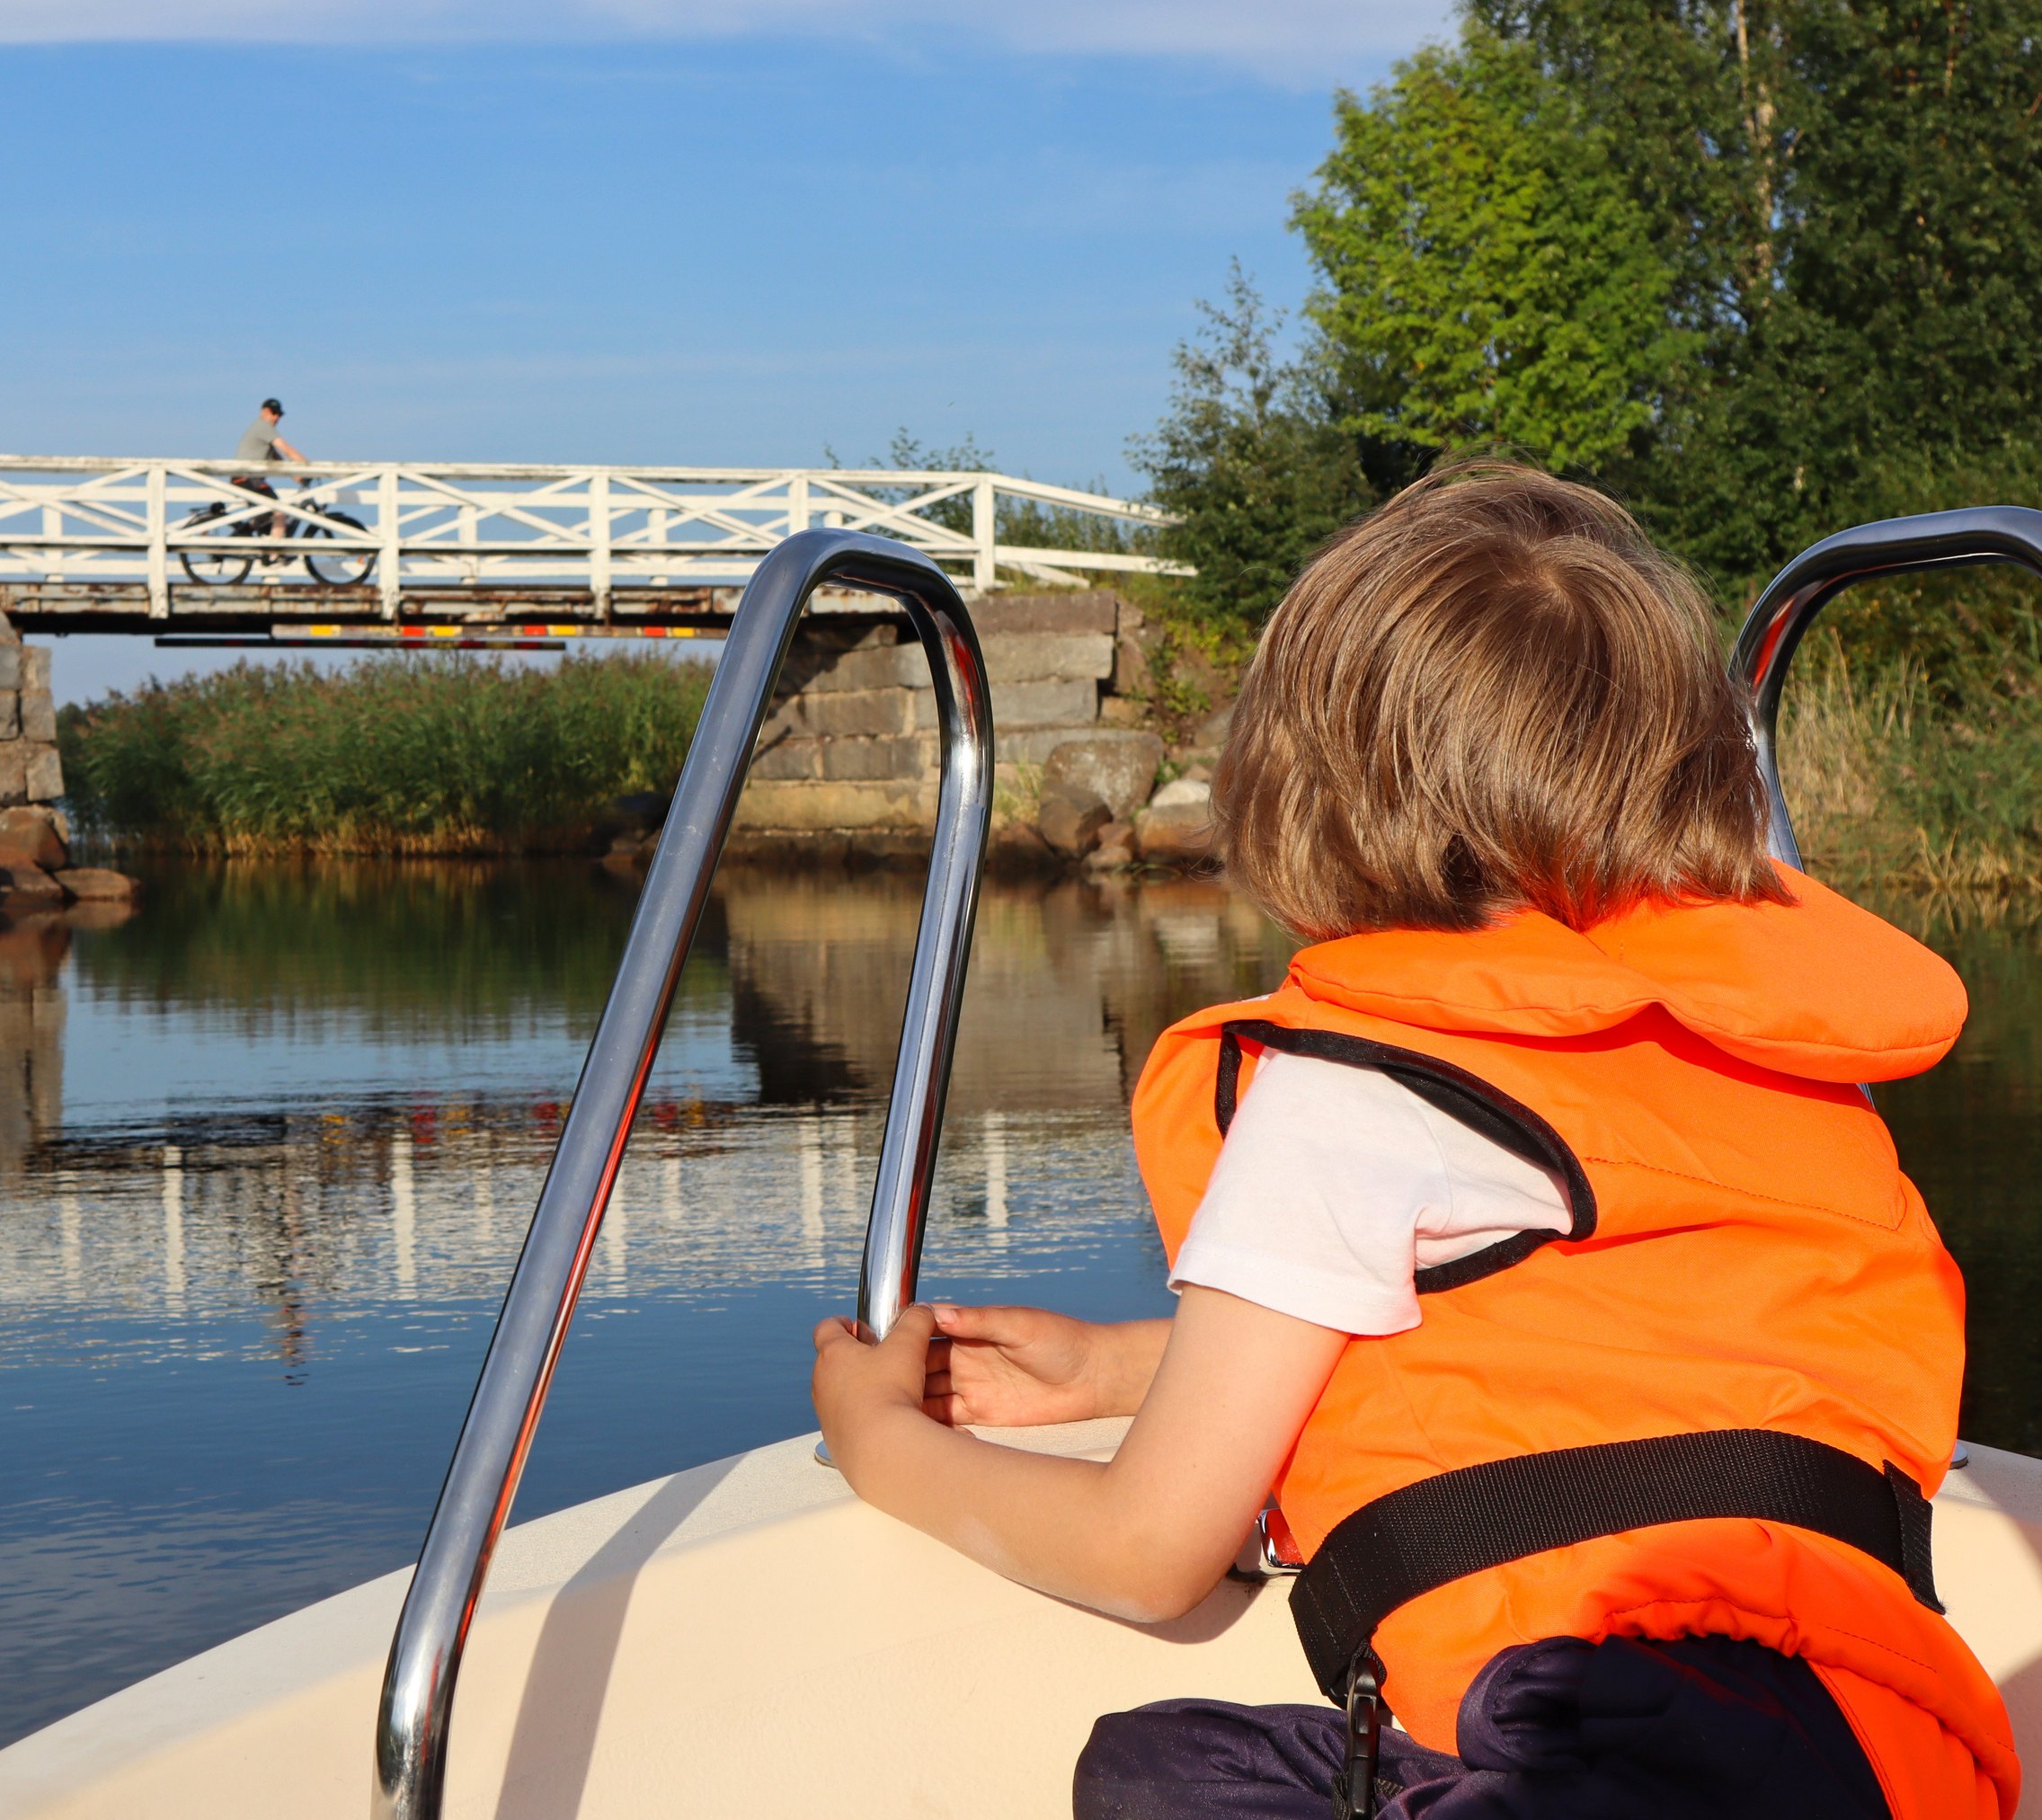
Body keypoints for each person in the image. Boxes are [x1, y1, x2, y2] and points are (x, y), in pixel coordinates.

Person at [809, 464, 2017, 1819]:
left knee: (1154, 1780)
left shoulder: (1354, 1091)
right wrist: (1111, 1369)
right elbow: (1599, 1373)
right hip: (1881, 1748)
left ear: (1304, 786)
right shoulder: (1756, 1051)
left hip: (1598, 1745)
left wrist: (880, 1446)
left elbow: (1144, 1549)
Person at [228, 397, 309, 530]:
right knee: (280, 512)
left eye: (279, 414)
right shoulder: (263, 426)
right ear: (264, 412)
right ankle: (274, 550)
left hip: (245, 480)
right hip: (248, 479)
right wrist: (308, 466)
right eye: (274, 413)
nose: (277, 417)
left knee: (263, 519)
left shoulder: (262, 431)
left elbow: (278, 459)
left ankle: (253, 541)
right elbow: (286, 449)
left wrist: (296, 477)